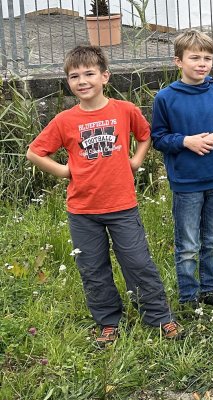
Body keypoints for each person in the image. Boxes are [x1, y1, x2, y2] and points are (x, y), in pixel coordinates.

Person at [26, 45, 182, 345]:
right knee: (93, 269)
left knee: (138, 263)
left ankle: (160, 318)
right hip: (83, 211)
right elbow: (34, 152)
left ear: (105, 76)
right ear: (68, 82)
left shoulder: (124, 111)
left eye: (89, 74)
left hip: (123, 206)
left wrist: (136, 161)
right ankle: (109, 321)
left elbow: (145, 134)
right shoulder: (64, 120)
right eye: (74, 76)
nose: (82, 81)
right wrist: (62, 171)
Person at [152, 30, 213, 309]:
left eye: (207, 58)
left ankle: (210, 289)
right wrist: (185, 141)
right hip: (186, 183)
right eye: (194, 58)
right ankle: (188, 297)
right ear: (178, 61)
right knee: (188, 245)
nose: (202, 63)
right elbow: (159, 138)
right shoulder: (166, 98)